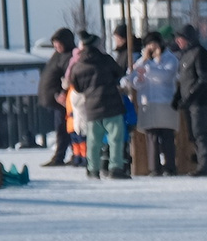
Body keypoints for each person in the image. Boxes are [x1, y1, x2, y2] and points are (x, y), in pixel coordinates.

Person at [69, 36, 130, 178]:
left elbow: (76, 87)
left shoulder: (77, 65)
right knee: (115, 138)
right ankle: (115, 168)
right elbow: (119, 73)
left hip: (91, 107)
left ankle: (93, 169)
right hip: (111, 105)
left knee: (93, 141)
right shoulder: (106, 59)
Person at [174, 24, 207, 174]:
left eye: (180, 39)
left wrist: (190, 96)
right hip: (190, 102)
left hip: (200, 102)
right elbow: (184, 80)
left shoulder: (200, 53)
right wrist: (178, 97)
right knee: (195, 134)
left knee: (201, 133)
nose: (177, 42)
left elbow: (204, 78)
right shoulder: (185, 55)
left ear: (187, 39)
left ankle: (206, 165)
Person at [130, 31, 179, 175]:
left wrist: (149, 69)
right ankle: (154, 168)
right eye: (149, 44)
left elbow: (166, 75)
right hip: (148, 102)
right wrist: (138, 80)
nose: (151, 47)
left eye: (154, 43)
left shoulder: (170, 59)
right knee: (151, 136)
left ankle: (170, 167)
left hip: (165, 101)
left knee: (167, 136)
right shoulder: (142, 60)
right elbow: (131, 77)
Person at [37, 29, 77, 166]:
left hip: (63, 101)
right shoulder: (59, 55)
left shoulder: (70, 56)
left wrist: (61, 93)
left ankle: (66, 155)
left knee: (65, 129)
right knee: (61, 129)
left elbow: (69, 78)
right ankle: (64, 155)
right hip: (55, 100)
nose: (56, 46)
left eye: (58, 43)